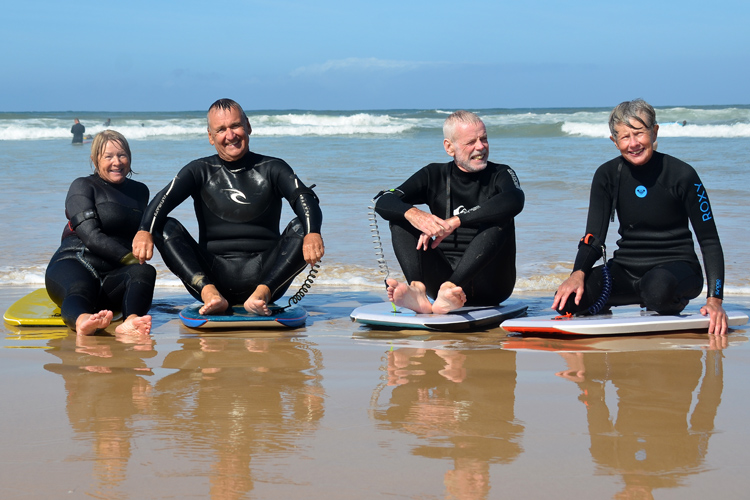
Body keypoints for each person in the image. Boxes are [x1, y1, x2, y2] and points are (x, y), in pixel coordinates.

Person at [132, 98, 324, 316]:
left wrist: (313, 233)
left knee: (304, 225)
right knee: (161, 225)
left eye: (235, 126)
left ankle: (261, 295)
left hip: (268, 274)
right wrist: (143, 230)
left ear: (248, 126)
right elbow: (161, 201)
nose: (230, 135)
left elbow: (305, 199)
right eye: (221, 129)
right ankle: (210, 295)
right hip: (212, 275)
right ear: (210, 137)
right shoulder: (199, 170)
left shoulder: (273, 168)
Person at [552, 98, 728, 334]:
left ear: (654, 132)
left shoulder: (683, 175)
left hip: (677, 268)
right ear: (614, 142)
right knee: (568, 302)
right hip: (627, 270)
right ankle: (636, 298)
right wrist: (578, 272)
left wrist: (715, 299)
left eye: (639, 133)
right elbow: (594, 237)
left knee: (657, 290)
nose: (633, 143)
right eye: (625, 137)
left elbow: (709, 241)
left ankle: (662, 298)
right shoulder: (607, 176)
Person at [375, 110, 524, 314]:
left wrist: (456, 221)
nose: (480, 146)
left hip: (492, 284)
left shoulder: (501, 173)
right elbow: (384, 201)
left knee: (501, 218)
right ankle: (417, 290)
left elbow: (515, 199)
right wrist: (414, 215)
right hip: (441, 283)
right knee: (400, 218)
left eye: (484, 139)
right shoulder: (433, 174)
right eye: (471, 142)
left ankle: (450, 288)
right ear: (449, 147)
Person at [45, 130, 155, 336]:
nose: (117, 162)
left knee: (145, 272)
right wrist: (131, 259)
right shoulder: (83, 186)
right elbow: (91, 236)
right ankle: (82, 320)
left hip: (113, 274)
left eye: (122, 155)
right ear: (95, 160)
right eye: (108, 156)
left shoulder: (140, 191)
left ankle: (130, 322)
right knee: (80, 287)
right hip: (75, 261)